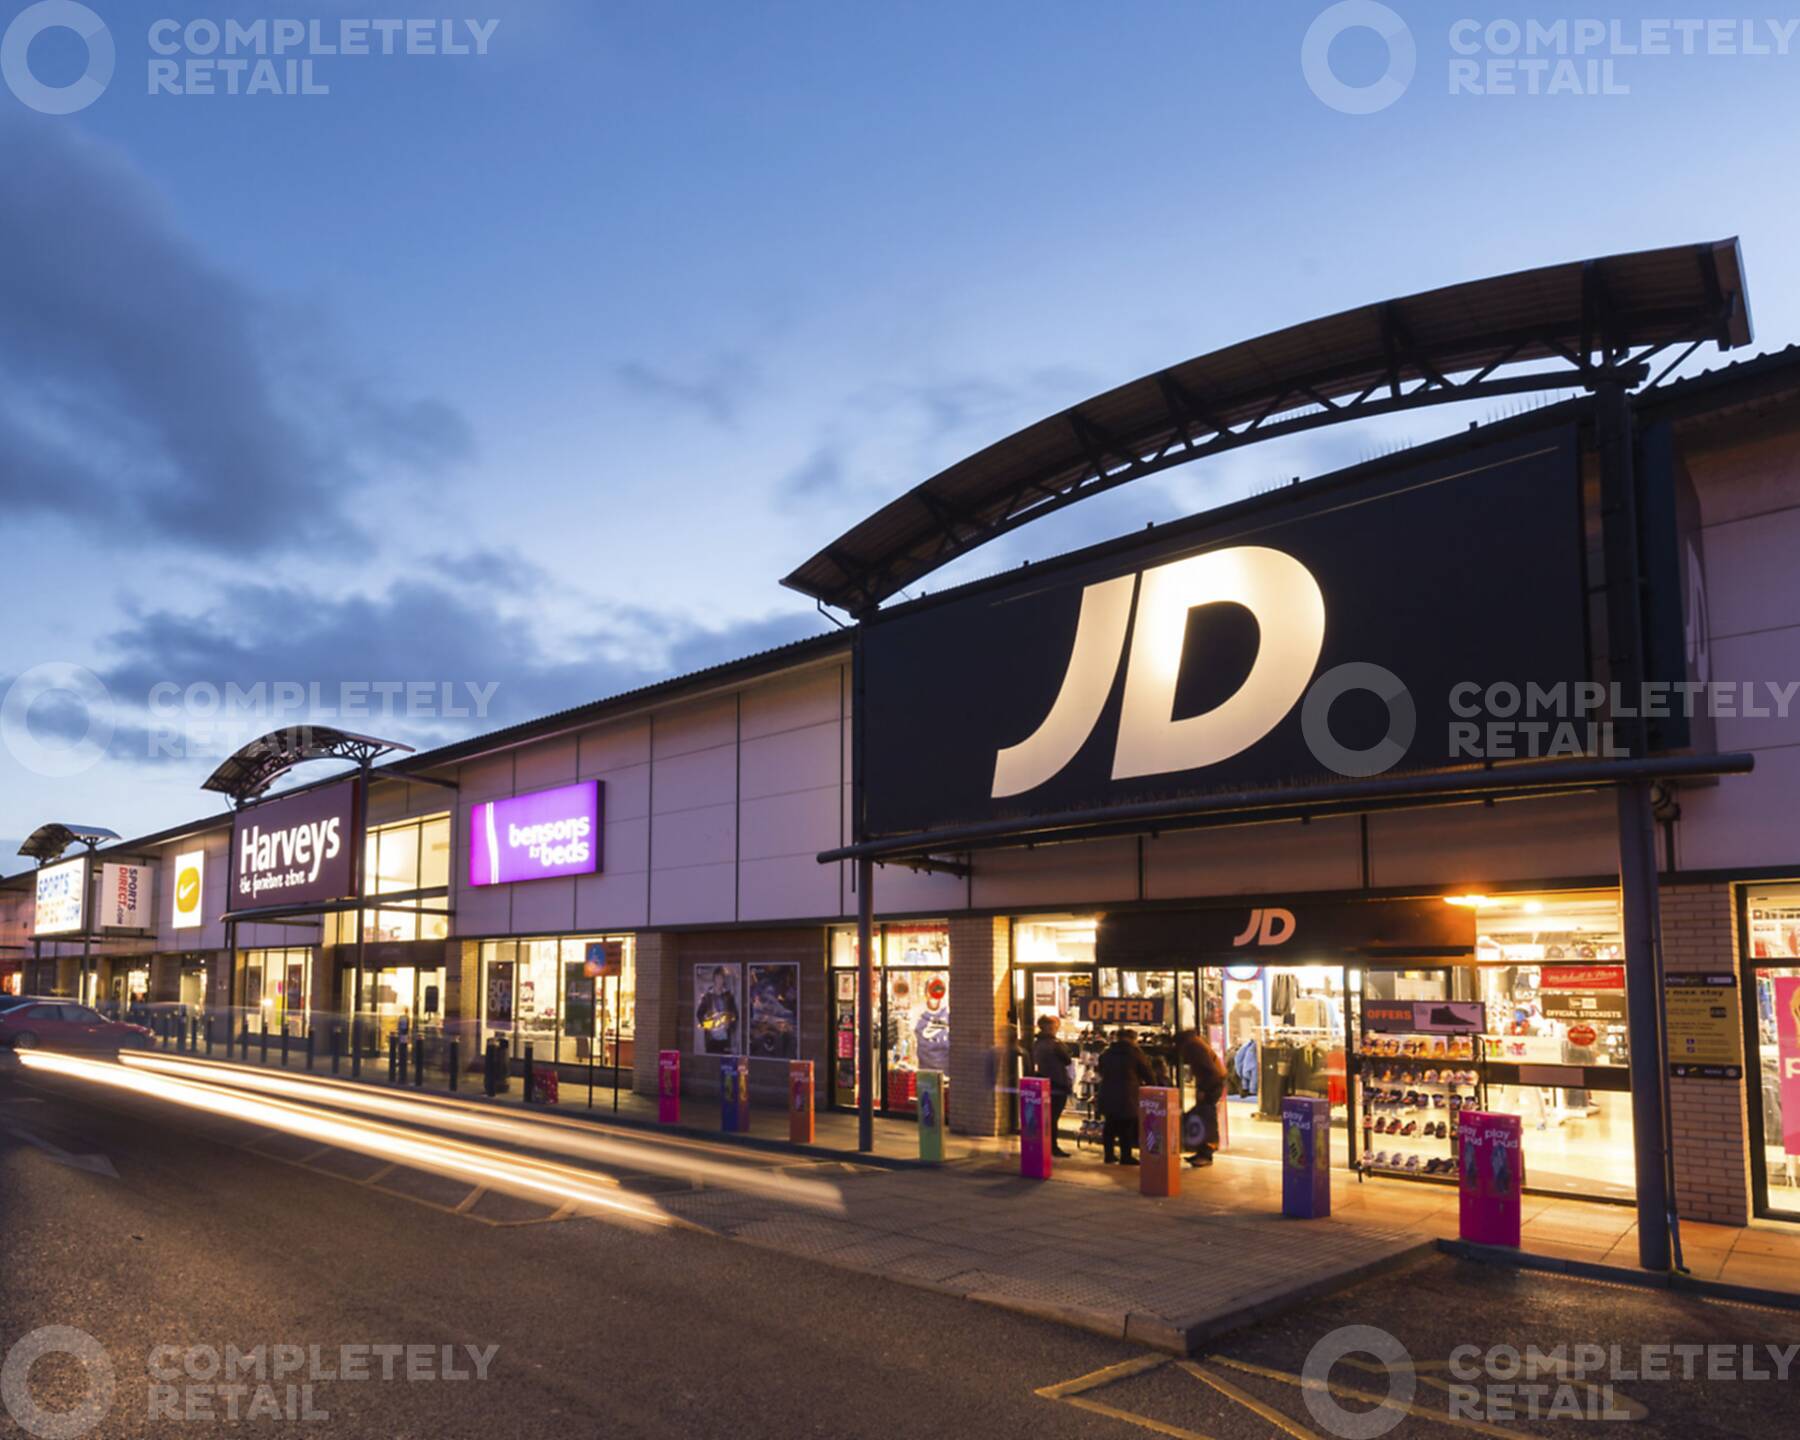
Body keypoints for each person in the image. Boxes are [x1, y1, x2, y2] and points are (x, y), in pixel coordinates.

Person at [1096, 1028, 1154, 1166]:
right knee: (1126, 1126)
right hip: (1127, 1094)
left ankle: (1109, 1155)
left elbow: (1100, 1070)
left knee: (1110, 1125)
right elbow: (1147, 1072)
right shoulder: (1135, 1053)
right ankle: (1125, 1156)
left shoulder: (1107, 1052)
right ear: (1132, 1039)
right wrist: (1153, 1085)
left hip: (1108, 1091)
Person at [1177, 1028, 1227, 1167]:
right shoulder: (1196, 1043)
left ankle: (1206, 1154)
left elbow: (1208, 1070)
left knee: (1205, 1118)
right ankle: (1201, 1152)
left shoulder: (1193, 1047)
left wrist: (1204, 1089)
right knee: (1202, 1116)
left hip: (1211, 1085)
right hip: (1213, 1083)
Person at [1031, 1015, 1075, 1157]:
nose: (1054, 1029)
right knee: (1053, 1117)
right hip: (1057, 1083)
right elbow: (1067, 1060)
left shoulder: (1037, 1043)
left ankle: (1046, 1145)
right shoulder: (1054, 1044)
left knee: (1047, 1117)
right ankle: (1052, 1146)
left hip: (1044, 1082)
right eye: (1052, 1027)